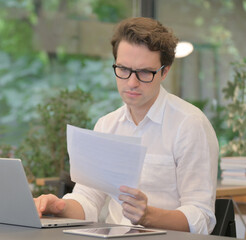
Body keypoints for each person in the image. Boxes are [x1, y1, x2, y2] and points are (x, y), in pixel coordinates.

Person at [34, 17, 218, 235]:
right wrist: (58, 207)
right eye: (123, 69)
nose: (131, 82)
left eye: (144, 73)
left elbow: (202, 217)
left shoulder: (189, 125)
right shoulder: (107, 125)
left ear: (164, 71)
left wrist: (148, 216)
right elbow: (88, 201)